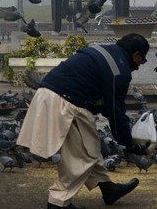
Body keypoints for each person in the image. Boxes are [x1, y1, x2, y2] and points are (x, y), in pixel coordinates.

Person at [17, 33, 152, 209]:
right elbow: (115, 110)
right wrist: (129, 143)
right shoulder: (120, 70)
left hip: (47, 94)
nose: (140, 66)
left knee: (88, 145)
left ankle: (107, 188)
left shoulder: (103, 49)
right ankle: (58, 202)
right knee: (83, 155)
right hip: (67, 102)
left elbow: (102, 99)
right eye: (142, 61)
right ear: (136, 54)